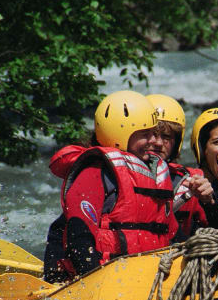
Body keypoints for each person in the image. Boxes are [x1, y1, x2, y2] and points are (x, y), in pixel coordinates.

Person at [43, 90, 176, 282]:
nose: (154, 141)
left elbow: (172, 233)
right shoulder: (95, 171)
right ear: (120, 134)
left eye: (154, 134)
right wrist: (92, 281)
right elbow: (79, 233)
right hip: (105, 276)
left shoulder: (154, 174)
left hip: (146, 275)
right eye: (145, 134)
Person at [146, 94, 208, 241]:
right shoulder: (115, 175)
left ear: (176, 143)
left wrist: (210, 201)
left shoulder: (189, 184)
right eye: (153, 134)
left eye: (166, 137)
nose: (158, 143)